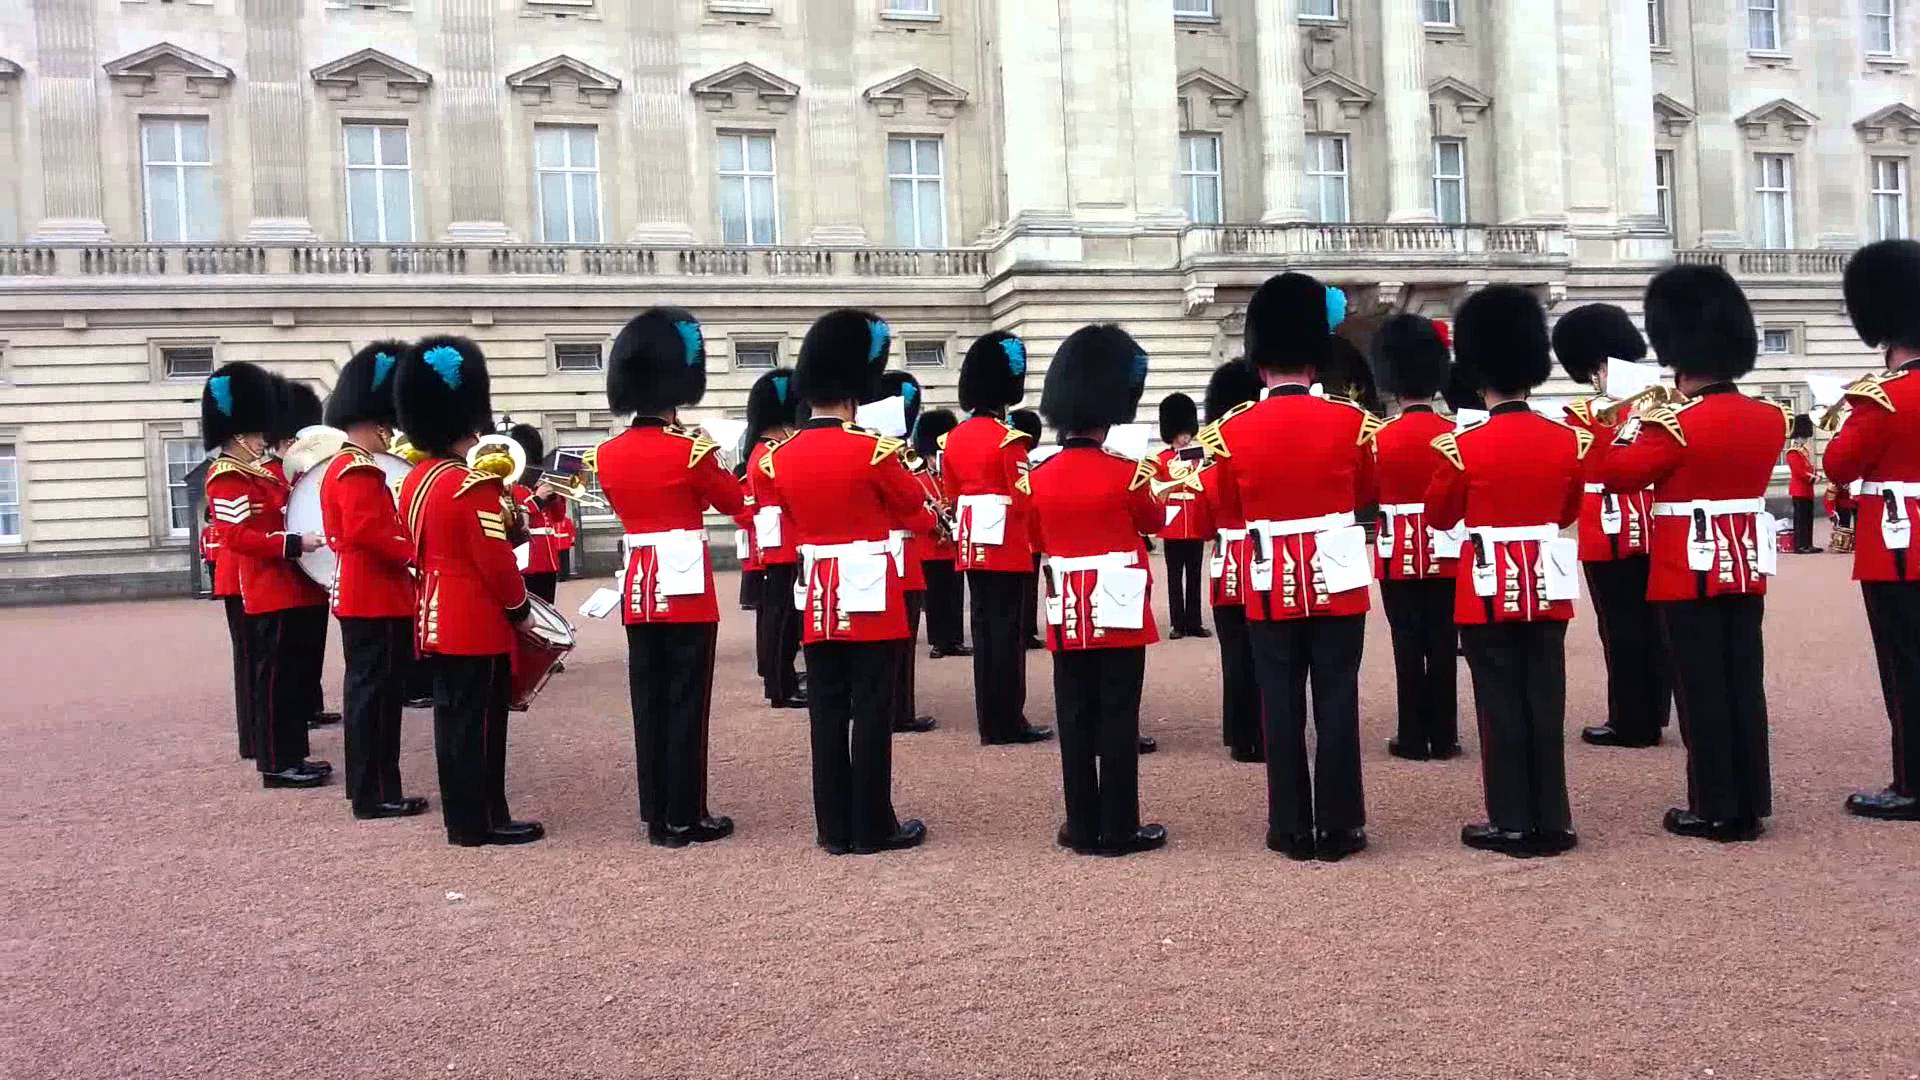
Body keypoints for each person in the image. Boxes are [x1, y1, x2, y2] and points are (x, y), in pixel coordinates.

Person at [1599, 264, 1786, 843]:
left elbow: (1617, 476)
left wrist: (1620, 420)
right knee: (1742, 681)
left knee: (1701, 686)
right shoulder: (1767, 417)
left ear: (1679, 355)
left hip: (1688, 568)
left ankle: (1713, 806)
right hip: (1744, 563)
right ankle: (1751, 800)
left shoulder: (1672, 425)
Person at [1197, 272, 1378, 862]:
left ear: (1259, 360)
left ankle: (1290, 826)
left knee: (1279, 700)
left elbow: (1222, 508)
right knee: (1336, 697)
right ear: (1316, 357)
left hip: (1269, 575)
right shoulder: (1354, 424)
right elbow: (1368, 496)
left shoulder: (1231, 432)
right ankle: (1342, 825)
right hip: (1338, 575)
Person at [1424, 286, 1587, 858]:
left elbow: (1440, 514)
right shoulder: (1565, 437)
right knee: (1546, 696)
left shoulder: (1463, 444)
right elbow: (1570, 510)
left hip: (1488, 578)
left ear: (1476, 372)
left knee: (1499, 700)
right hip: (1545, 575)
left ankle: (1512, 820)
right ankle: (1554, 820)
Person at [765, 309, 934, 854]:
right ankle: (873, 824)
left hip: (817, 595)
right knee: (872, 711)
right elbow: (918, 515)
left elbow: (784, 521)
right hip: (872, 596)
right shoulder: (873, 450)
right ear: (856, 389)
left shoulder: (780, 458)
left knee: (828, 712)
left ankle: (833, 827)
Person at [591, 308, 750, 847]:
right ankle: (687, 814)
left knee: (649, 702)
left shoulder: (606, 455)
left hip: (639, 586)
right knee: (686, 702)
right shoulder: (691, 451)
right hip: (685, 591)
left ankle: (656, 813)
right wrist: (718, 456)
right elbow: (739, 505)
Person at [393, 335, 545, 848]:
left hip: (435, 611)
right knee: (479, 725)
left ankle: (464, 819)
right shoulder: (470, 484)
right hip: (474, 618)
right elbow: (494, 561)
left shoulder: (418, 478)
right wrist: (519, 608)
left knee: (453, 721)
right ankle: (483, 820)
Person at [1027, 324, 1169, 857]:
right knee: (1117, 712)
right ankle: (1120, 826)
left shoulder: (1036, 478)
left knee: (1074, 712)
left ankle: (1080, 824)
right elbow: (1152, 519)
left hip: (1068, 606)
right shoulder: (1128, 474)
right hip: (1121, 605)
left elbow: (1033, 538)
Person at [201, 363, 333, 789]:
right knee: (274, 680)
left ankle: (293, 753)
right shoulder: (227, 476)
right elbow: (237, 536)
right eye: (258, 433)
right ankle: (277, 763)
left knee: (293, 679)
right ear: (240, 433)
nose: (264, 440)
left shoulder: (260, 472)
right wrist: (292, 544)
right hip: (267, 588)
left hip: (289, 586)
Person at [1825, 238, 1920, 822]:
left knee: (1906, 665)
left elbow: (1839, 464)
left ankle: (1912, 784)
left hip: (1899, 546)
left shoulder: (1884, 398)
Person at [1554, 304, 1674, 748]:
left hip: (1608, 534)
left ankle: (1631, 720)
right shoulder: (1661, 405)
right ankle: (1654, 710)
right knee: (1652, 625)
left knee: (1622, 629)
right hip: (1654, 529)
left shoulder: (1588, 415)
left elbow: (1579, 470)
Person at [320, 340, 429, 820]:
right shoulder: (358, 470)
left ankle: (370, 788)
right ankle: (377, 793)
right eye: (386, 424)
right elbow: (370, 533)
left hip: (364, 593)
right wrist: (416, 555)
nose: (391, 433)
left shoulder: (344, 466)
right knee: (376, 700)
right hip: (375, 595)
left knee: (370, 695)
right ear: (372, 421)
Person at [945, 332, 1052, 745]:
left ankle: (989, 718)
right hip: (1006, 544)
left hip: (971, 543)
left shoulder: (953, 438)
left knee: (984, 631)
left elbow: (952, 496)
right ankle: (1009, 720)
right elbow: (1024, 500)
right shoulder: (1009, 440)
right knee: (1007, 634)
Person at [1369, 313, 1462, 762]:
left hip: (1396, 550)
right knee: (1443, 642)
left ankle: (1412, 735)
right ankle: (1444, 734)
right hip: (1448, 549)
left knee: (1406, 644)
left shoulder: (1380, 437)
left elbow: (1364, 494)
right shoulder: (1455, 435)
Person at [266, 379, 341, 730]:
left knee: (311, 649)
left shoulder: (306, 475)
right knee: (286, 661)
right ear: (283, 441)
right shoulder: (267, 475)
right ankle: (290, 724)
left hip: (310, 574)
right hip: (283, 575)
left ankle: (310, 703)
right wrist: (294, 542)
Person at [1201, 359, 1266, 763]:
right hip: (1264, 557)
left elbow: (1206, 522)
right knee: (1268, 652)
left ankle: (1241, 735)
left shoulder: (1214, 460)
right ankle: (1266, 728)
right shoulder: (1261, 450)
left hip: (1228, 563)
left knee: (1235, 653)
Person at [877, 369, 939, 734]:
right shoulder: (886, 457)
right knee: (901, 641)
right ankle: (899, 709)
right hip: (899, 558)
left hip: (859, 561)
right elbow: (912, 507)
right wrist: (932, 517)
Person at [744, 367, 806, 709]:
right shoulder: (772, 454)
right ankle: (781, 685)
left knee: (777, 616)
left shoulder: (760, 452)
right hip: (783, 541)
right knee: (782, 619)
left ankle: (779, 680)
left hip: (776, 540)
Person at [1154, 393, 1213, 639]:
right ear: (1172, 433)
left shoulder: (1198, 456)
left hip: (1195, 521)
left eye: (1188, 431)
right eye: (1181, 432)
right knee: (1174, 576)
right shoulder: (1162, 459)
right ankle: (1177, 623)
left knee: (1195, 574)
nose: (1186, 436)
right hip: (1173, 522)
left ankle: (1194, 622)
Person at [915, 408, 970, 659]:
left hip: (952, 542)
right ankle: (938, 640)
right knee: (935, 595)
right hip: (930, 543)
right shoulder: (917, 476)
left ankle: (955, 639)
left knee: (955, 592)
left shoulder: (950, 473)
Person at [506, 423, 564, 605]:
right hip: (528, 556)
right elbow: (514, 517)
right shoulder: (509, 483)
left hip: (548, 558)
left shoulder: (542, 478)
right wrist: (537, 499)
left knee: (549, 608)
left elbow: (558, 517)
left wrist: (555, 497)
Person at [1009, 407, 1047, 651]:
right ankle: (1025, 630)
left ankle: (1026, 629)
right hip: (1024, 532)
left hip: (1025, 532)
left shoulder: (1020, 455)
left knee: (1025, 587)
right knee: (1025, 587)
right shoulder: (1019, 457)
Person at [1785, 414, 1822, 554]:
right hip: (1799, 490)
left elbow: (1808, 467)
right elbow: (1800, 472)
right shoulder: (1793, 452)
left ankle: (1808, 543)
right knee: (1800, 520)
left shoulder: (1803, 451)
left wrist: (1816, 474)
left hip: (1806, 490)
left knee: (1808, 519)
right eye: (1803, 437)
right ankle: (1800, 545)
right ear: (1798, 436)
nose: (1805, 440)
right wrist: (1813, 478)